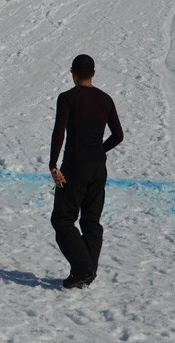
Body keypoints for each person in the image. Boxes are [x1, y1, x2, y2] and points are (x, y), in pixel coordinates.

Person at [49, 54, 124, 289]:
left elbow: (59, 132)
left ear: (73, 73)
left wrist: (53, 164)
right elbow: (118, 135)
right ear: (93, 73)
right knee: (91, 220)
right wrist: (98, 150)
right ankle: (87, 271)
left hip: (75, 166)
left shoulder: (68, 98)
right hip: (98, 167)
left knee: (62, 219)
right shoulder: (105, 99)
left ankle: (83, 268)